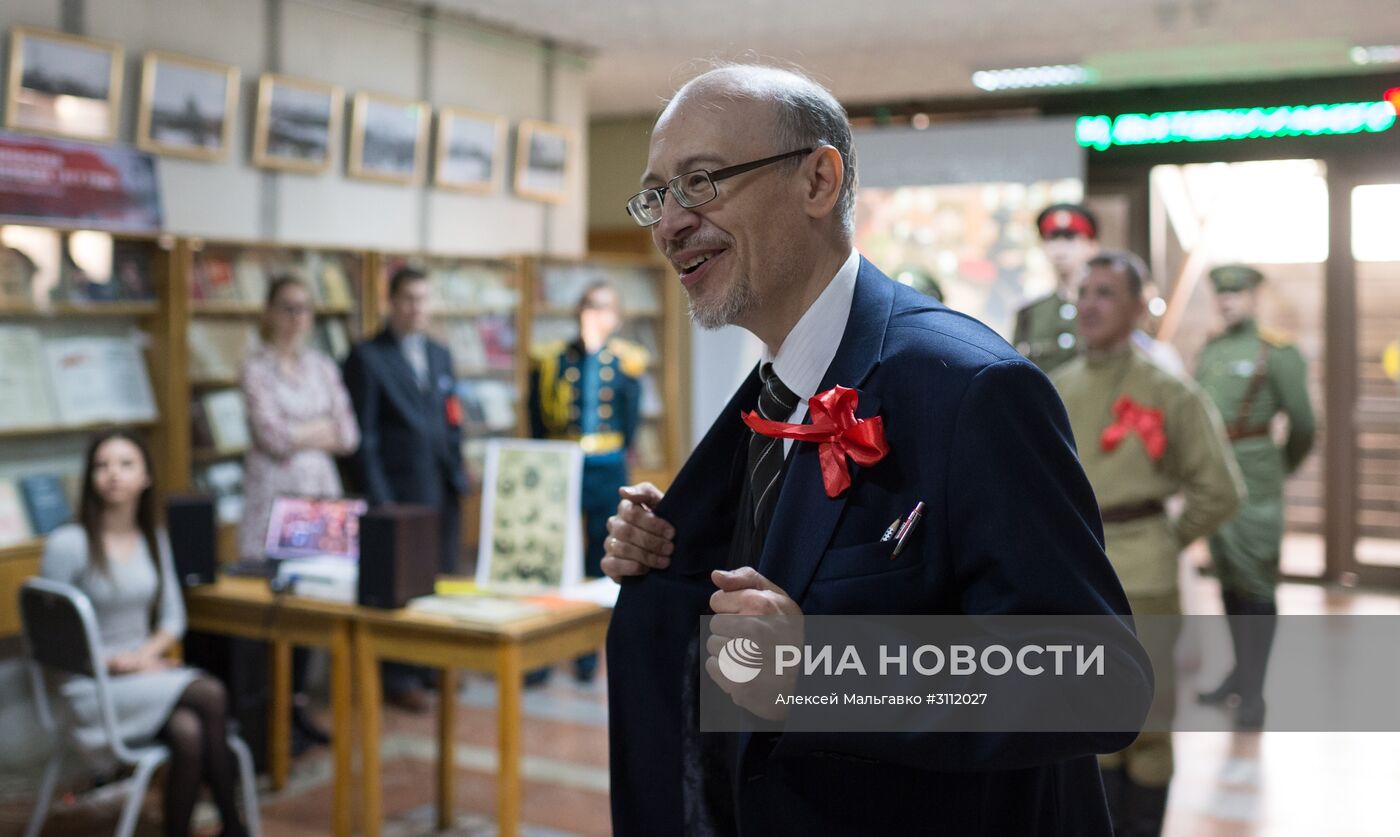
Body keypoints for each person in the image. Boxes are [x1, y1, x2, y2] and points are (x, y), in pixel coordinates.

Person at [602, 64, 1151, 836]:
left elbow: (1101, 681)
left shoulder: (972, 388)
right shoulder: (771, 396)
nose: (669, 224)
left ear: (819, 180)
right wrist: (674, 554)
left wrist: (827, 670)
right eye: (657, 195)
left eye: (700, 182)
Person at [1052, 252, 1244, 837]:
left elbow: (1221, 489)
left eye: (1106, 293)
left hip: (1148, 583)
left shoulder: (1168, 391)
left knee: (1149, 726)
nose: (1089, 304)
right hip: (1076, 580)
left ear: (1139, 307)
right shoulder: (1051, 387)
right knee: (1089, 725)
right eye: (1084, 292)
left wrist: (1163, 539)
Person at [40, 430, 248, 837]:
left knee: (189, 733)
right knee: (210, 693)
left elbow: (173, 618)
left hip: (143, 675)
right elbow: (49, 639)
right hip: (91, 684)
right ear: (90, 478)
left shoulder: (153, 537)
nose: (112, 475)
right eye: (102, 465)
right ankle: (235, 825)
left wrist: (142, 659)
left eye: (125, 464)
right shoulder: (70, 543)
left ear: (146, 478)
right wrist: (115, 664)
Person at [240, 274, 360, 748]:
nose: (296, 318)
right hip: (272, 502)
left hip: (320, 502)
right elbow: (272, 436)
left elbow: (348, 434)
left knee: (314, 604)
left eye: (304, 309)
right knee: (272, 609)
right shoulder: (255, 368)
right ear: (269, 311)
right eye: (287, 307)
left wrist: (300, 431)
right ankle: (267, 716)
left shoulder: (322, 366)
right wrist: (318, 429)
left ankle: (298, 707)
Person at [1193, 264, 1316, 729]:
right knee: (1227, 577)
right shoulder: (1214, 348)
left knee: (1257, 580)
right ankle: (1239, 675)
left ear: (1253, 297)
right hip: (1215, 478)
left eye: (1236, 293)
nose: (1227, 301)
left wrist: (1278, 468)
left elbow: (1303, 425)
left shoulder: (1276, 352)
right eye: (1221, 294)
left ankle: (1255, 692)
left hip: (1256, 476)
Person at [344, 266, 467, 712]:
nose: (417, 308)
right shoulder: (367, 357)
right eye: (408, 299)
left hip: (441, 484)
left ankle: (432, 664)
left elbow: (450, 416)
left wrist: (458, 467)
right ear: (391, 303)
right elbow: (365, 436)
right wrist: (381, 500)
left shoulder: (439, 353)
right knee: (400, 583)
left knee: (438, 577)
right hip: (397, 490)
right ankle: (399, 676)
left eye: (423, 299)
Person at [527, 281, 646, 683]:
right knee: (551, 556)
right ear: (578, 310)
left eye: (606, 308)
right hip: (560, 462)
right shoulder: (550, 359)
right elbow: (537, 421)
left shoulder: (627, 362)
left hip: (606, 464)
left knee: (601, 553)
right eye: (590, 306)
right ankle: (539, 654)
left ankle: (586, 655)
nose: (597, 315)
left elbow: (630, 422)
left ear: (617, 317)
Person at [1013, 203, 1098, 374]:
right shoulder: (1029, 313)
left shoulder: (1106, 309)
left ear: (1092, 246)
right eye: (1051, 238)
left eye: (1070, 238)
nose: (1059, 249)